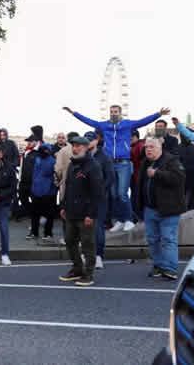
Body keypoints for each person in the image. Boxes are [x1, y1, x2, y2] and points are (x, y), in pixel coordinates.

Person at [64, 104, 170, 232]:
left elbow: (143, 121)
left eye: (116, 111)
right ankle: (121, 219)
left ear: (120, 113)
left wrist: (158, 114)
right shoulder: (104, 125)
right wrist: (73, 113)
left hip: (123, 163)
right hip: (110, 162)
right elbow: (88, 121)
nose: (113, 113)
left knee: (122, 193)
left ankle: (129, 220)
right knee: (113, 194)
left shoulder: (127, 124)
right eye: (111, 111)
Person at [136, 137, 186, 281]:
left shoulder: (171, 160)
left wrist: (157, 174)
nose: (148, 150)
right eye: (146, 147)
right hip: (150, 209)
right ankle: (158, 266)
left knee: (168, 239)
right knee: (152, 239)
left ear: (160, 148)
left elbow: (179, 178)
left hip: (169, 209)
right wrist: (139, 207)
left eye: (151, 147)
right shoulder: (145, 163)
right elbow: (140, 186)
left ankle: (170, 269)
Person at [58, 136, 103, 286]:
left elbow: (98, 193)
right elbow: (68, 187)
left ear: (86, 147)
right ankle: (77, 268)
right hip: (71, 211)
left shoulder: (93, 166)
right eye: (74, 146)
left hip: (86, 214)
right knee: (70, 241)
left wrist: (91, 214)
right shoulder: (72, 165)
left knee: (87, 244)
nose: (75, 148)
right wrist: (63, 206)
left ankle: (88, 274)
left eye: (78, 146)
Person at [86, 131, 114, 269]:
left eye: (90, 140)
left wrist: (100, 192)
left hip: (100, 197)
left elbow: (110, 177)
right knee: (85, 228)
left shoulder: (104, 157)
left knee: (98, 227)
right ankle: (88, 254)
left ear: (96, 141)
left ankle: (98, 256)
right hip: (84, 198)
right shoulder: (82, 156)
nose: (88, 142)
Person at [29, 143, 57, 242]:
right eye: (42, 149)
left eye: (45, 150)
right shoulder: (37, 159)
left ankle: (48, 233)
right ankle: (34, 232)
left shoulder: (53, 161)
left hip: (48, 192)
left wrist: (52, 189)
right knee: (35, 213)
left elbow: (56, 177)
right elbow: (34, 174)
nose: (43, 151)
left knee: (49, 214)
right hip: (36, 190)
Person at [178, 135, 194, 210]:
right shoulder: (178, 147)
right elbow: (176, 161)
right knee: (182, 193)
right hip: (182, 176)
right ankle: (182, 209)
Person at [129, 130, 146, 220]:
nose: (130, 137)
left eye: (132, 136)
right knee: (134, 198)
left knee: (137, 198)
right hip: (134, 177)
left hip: (138, 178)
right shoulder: (132, 146)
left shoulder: (140, 145)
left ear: (137, 136)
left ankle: (139, 217)